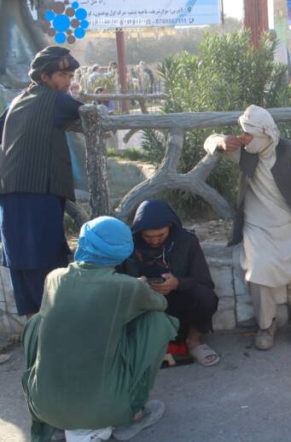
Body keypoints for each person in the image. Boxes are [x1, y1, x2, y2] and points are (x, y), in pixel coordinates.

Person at [22, 216, 178, 442]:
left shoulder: (53, 278)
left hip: (43, 407)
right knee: (156, 321)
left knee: (37, 322)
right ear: (121, 250)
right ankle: (133, 411)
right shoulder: (127, 286)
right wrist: (141, 287)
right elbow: (160, 304)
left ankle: (58, 421)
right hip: (104, 410)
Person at [204, 105, 291, 350]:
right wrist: (220, 141)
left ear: (265, 134)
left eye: (249, 134)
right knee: (258, 268)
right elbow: (208, 141)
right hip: (258, 228)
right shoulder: (244, 151)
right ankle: (266, 324)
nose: (243, 137)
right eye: (242, 132)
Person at [0, 46, 83, 317]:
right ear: (45, 77)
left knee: (21, 260)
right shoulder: (55, 100)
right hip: (38, 193)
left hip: (10, 193)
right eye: (63, 75)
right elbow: (85, 112)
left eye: (70, 75)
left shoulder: (17, 101)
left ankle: (34, 334)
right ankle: (50, 332)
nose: (68, 81)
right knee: (46, 261)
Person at [118, 199, 220, 366]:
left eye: (161, 235)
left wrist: (177, 283)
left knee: (206, 297)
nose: (155, 241)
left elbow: (204, 281)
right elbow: (115, 282)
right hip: (144, 306)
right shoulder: (128, 244)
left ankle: (193, 342)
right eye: (148, 236)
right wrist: (138, 284)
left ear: (171, 228)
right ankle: (143, 346)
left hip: (178, 302)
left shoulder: (187, 241)